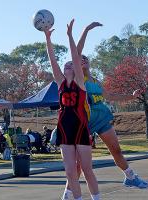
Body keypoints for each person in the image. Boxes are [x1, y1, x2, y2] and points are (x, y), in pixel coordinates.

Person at [63, 21, 148, 198]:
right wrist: (86, 30)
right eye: (81, 59)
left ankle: (130, 177)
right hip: (83, 121)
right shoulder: (79, 80)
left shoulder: (95, 81)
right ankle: (67, 194)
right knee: (79, 165)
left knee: (116, 150)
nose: (84, 60)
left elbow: (111, 96)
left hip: (101, 118)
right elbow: (76, 51)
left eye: (86, 59)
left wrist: (131, 96)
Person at [44, 19, 100, 200]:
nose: (67, 65)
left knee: (86, 169)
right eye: (65, 65)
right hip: (64, 128)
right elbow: (52, 59)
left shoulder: (80, 83)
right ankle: (77, 198)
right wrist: (47, 38)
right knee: (69, 172)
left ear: (75, 70)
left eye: (70, 65)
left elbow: (76, 56)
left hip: (81, 127)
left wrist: (70, 36)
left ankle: (97, 198)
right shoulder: (60, 83)